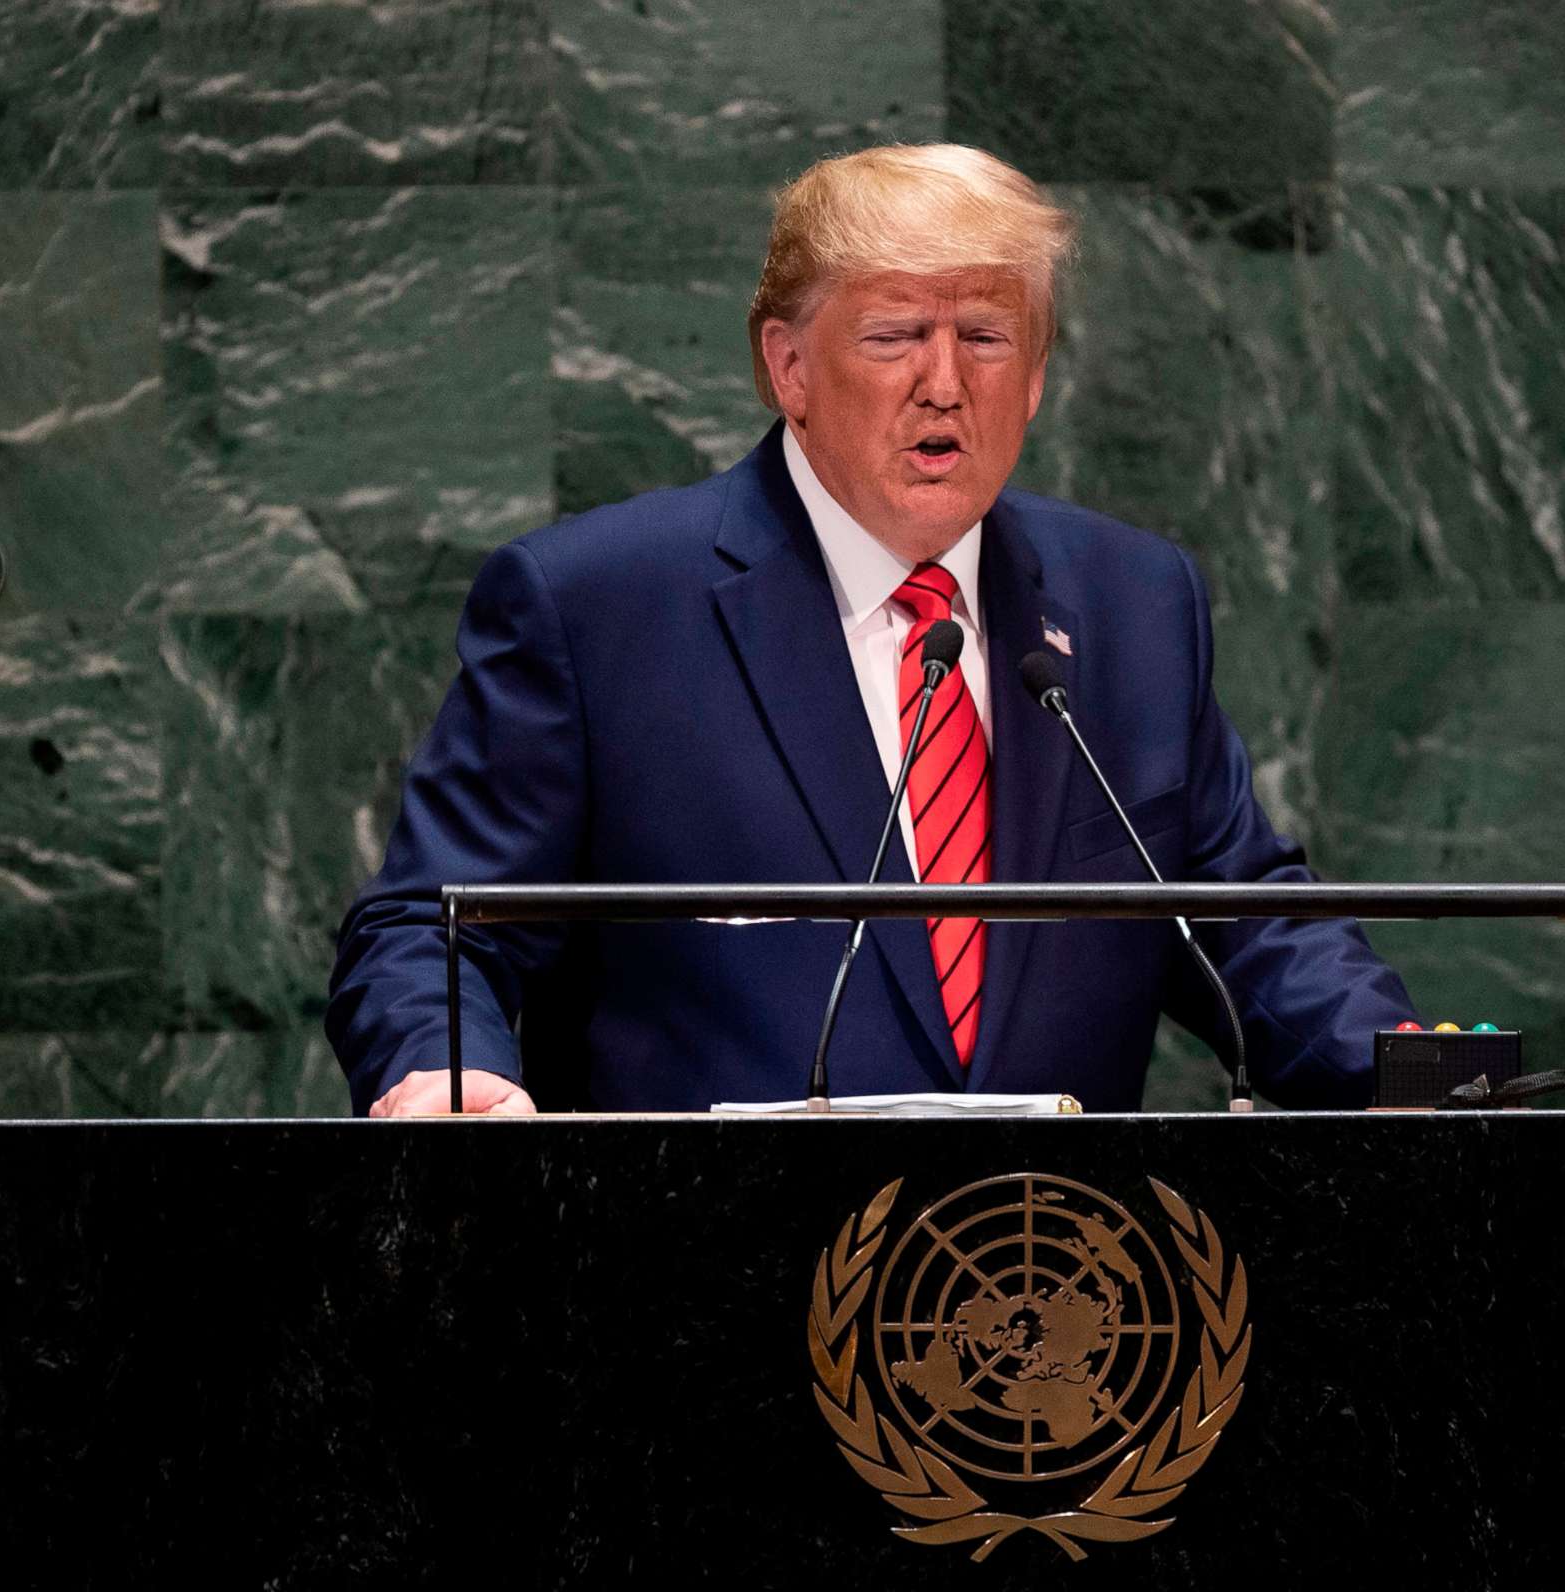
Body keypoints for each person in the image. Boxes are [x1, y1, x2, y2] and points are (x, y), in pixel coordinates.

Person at [328, 144, 1412, 1117]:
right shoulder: (595, 605)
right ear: (788, 367)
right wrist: (446, 1069)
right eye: (895, 335)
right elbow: (434, 923)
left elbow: (1245, 923)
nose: (945, 384)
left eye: (986, 336)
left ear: (1035, 377)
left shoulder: (1132, 601)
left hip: (1038, 1288)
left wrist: (1403, 1067)